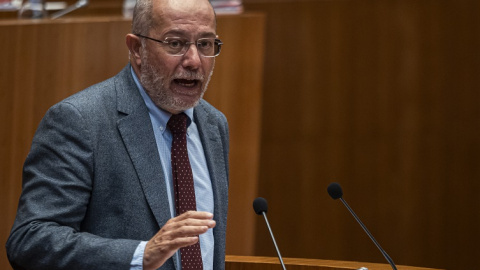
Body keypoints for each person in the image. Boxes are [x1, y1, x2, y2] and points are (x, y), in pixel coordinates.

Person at [6, 0, 229, 269]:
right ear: (137, 48)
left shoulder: (213, 123)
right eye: (175, 43)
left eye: (205, 44)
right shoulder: (81, 121)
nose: (194, 61)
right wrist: (140, 254)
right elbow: (30, 241)